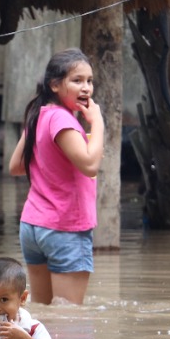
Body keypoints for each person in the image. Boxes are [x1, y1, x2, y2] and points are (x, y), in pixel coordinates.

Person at [8, 49, 104, 305]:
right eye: (77, 80)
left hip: (33, 226)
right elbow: (90, 165)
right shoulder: (63, 120)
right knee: (68, 320)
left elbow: (16, 166)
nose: (86, 88)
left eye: (89, 81)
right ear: (54, 84)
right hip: (64, 227)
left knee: (44, 313)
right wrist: (98, 123)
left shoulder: (39, 114)